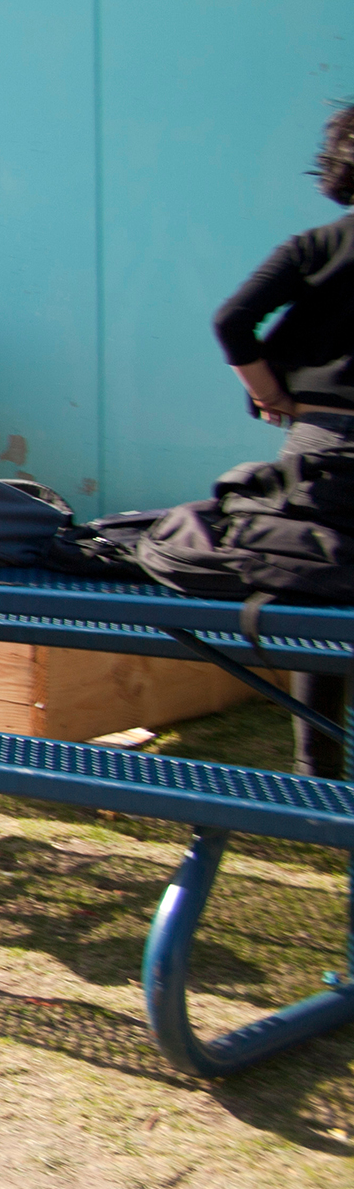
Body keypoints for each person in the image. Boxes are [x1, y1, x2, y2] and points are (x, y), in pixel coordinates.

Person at [210, 104, 354, 780]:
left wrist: (271, 395)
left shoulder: (316, 246)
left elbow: (233, 320)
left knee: (320, 596)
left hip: (320, 446)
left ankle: (316, 776)